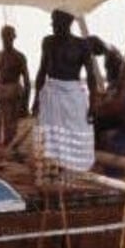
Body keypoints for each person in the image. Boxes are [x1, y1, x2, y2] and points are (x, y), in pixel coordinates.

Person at [32, 9, 97, 172]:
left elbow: (91, 76)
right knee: (51, 138)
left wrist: (93, 104)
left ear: (66, 24)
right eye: (52, 22)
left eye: (55, 22)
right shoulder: (48, 42)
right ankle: (52, 170)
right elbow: (41, 71)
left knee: (76, 131)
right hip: (52, 93)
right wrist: (36, 99)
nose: (52, 25)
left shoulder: (82, 45)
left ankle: (75, 170)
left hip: (74, 94)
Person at [0, 25, 30, 146]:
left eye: (9, 35)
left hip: (15, 96)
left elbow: (27, 82)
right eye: (5, 35)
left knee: (14, 127)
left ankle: (12, 153)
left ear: (14, 37)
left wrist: (25, 105)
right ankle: (3, 151)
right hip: (1, 96)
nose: (7, 38)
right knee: (1, 125)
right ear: (1, 37)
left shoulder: (19, 57)